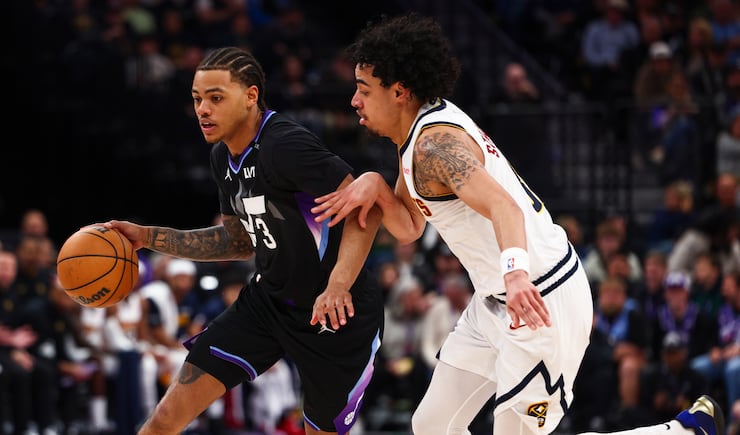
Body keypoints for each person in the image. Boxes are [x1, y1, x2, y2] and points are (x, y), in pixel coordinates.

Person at [311, 12, 725, 435]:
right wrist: (376, 186)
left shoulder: (434, 146)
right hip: (494, 301)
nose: (354, 101)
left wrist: (515, 275)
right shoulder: (414, 136)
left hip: (540, 294)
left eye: (364, 89)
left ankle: (683, 432)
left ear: (399, 91)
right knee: (432, 425)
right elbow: (410, 228)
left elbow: (504, 207)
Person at [102, 46, 384, 435]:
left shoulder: (284, 144)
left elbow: (366, 210)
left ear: (251, 96)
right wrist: (148, 237)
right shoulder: (222, 157)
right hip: (269, 303)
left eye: (216, 98)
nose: (203, 110)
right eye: (197, 99)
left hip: (335, 312)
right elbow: (238, 242)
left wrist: (337, 285)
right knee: (165, 418)